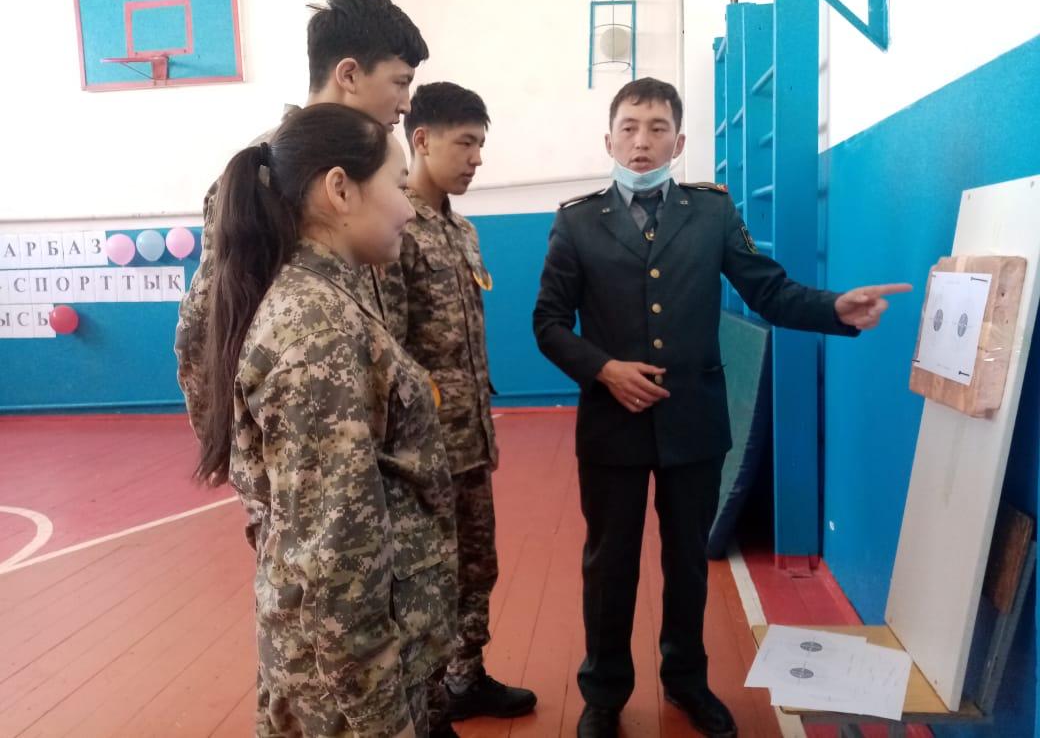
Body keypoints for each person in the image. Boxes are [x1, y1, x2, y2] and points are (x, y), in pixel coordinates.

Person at [532, 77, 910, 738]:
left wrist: (834, 309)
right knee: (609, 565)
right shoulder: (577, 221)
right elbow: (549, 322)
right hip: (612, 425)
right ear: (609, 139)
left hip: (694, 423)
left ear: (679, 142)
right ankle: (605, 693)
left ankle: (686, 681)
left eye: (657, 128)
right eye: (629, 127)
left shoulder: (710, 213)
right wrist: (605, 370)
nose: (642, 141)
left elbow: (768, 291)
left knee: (688, 563)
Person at [195, 103, 457, 738]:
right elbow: (336, 555)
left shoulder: (325, 299)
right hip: (349, 692)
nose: (409, 209)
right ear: (340, 189)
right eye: (398, 185)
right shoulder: (317, 330)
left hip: (354, 668)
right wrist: (380, 720)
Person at [176, 0, 428, 435]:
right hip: (305, 447)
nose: (407, 104)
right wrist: (237, 451)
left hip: (371, 430)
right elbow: (207, 331)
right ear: (349, 74)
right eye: (400, 82)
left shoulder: (375, 169)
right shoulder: (268, 173)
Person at [379, 82, 538, 730]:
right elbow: (388, 347)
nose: (477, 158)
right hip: (423, 452)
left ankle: (466, 677)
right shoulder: (396, 226)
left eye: (480, 144)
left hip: (470, 441)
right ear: (421, 140)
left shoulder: (461, 230)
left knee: (477, 567)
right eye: (465, 143)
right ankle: (428, 706)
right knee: (428, 581)